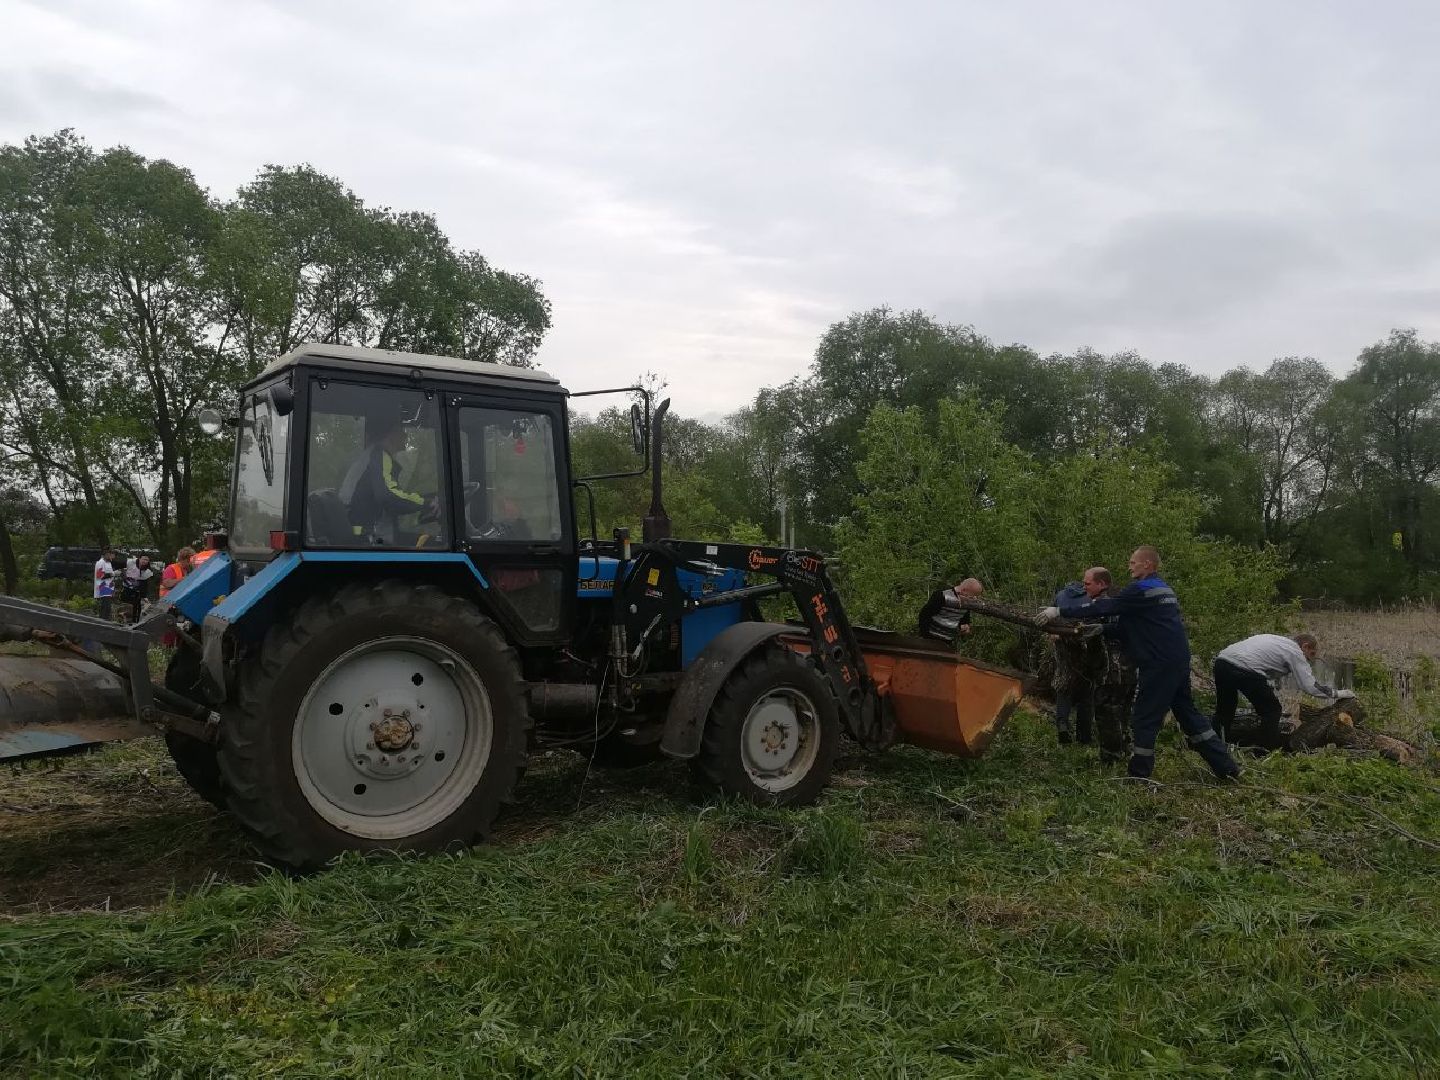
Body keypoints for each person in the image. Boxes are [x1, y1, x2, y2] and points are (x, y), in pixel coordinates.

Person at [1042, 546, 1240, 781]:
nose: (1129, 566)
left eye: (1133, 562)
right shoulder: (1163, 589)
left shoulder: (1141, 589)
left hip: (1158, 664)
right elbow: (1132, 627)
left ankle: (1139, 775)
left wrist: (1059, 610)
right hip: (1177, 661)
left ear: (1147, 565)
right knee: (1189, 715)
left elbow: (1104, 606)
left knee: (1144, 717)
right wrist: (1104, 629)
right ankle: (1226, 767)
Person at [1212, 632, 1355, 750]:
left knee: (1225, 710)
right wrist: (1340, 693)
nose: (1310, 661)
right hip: (1244, 668)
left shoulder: (1276, 640)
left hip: (1222, 662)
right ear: (1304, 646)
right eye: (1311, 654)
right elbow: (1310, 687)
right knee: (1272, 710)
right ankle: (1264, 751)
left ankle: (1212, 744)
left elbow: (1267, 666)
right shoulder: (1295, 652)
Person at [340, 417, 437, 544]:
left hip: (366, 535)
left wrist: (426, 501)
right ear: (391, 434)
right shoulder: (379, 456)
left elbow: (392, 494)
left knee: (424, 541)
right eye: (401, 431)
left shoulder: (371, 456)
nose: (405, 434)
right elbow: (388, 495)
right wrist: (427, 503)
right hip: (368, 539)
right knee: (433, 545)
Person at [1050, 579, 1094, 745]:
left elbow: (1052, 617)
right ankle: (1084, 738)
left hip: (1062, 645)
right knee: (1086, 692)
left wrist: (1053, 635)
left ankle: (1062, 725)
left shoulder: (1060, 594)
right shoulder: (1091, 597)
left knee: (1063, 686)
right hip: (1085, 647)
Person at [918, 577, 984, 643]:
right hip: (930, 638)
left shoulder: (967, 602)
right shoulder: (942, 595)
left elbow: (964, 619)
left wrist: (965, 626)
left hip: (948, 642)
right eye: (972, 596)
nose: (974, 598)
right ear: (963, 590)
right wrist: (925, 637)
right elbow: (924, 615)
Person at [120, 554, 154, 623]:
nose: (145, 561)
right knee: (128, 604)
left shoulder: (148, 570)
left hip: (137, 590)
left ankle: (135, 622)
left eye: (147, 560)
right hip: (127, 588)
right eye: (143, 559)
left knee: (137, 606)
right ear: (140, 559)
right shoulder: (131, 563)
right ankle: (125, 618)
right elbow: (122, 570)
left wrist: (144, 596)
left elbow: (145, 584)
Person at [93, 549, 117, 621]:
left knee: (107, 607)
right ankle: (102, 621)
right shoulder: (100, 562)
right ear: (105, 555)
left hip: (109, 586)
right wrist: (113, 574)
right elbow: (100, 575)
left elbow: (110, 575)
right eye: (109, 555)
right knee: (106, 606)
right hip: (103, 586)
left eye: (111, 555)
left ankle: (105, 621)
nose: (111, 557)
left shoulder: (108, 563)